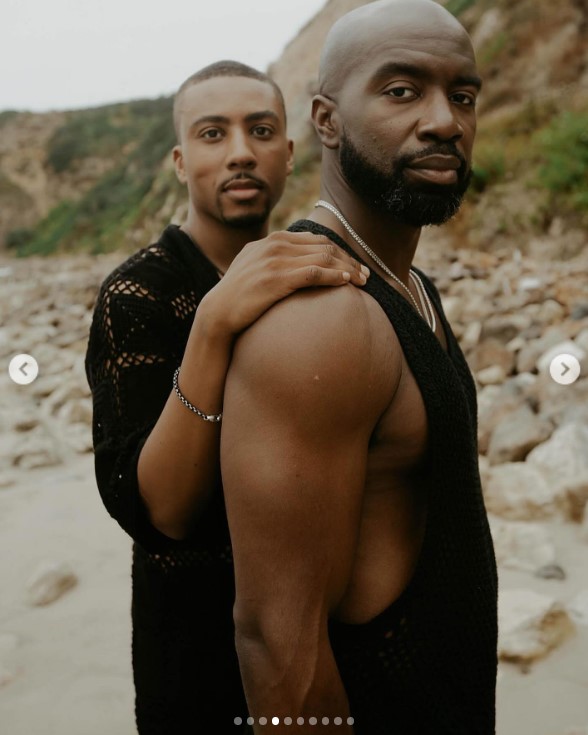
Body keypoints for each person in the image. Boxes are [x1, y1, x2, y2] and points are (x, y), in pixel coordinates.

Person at [220, 2, 498, 734]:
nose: (444, 121)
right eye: (402, 91)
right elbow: (278, 644)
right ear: (328, 120)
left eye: (462, 95)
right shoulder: (322, 320)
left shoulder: (409, 288)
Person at [85, 60, 369, 734]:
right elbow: (162, 511)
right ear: (181, 162)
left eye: (261, 130)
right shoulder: (138, 295)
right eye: (214, 134)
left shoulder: (312, 268)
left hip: (322, 643)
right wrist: (213, 322)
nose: (241, 152)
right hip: (196, 661)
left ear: (289, 151)